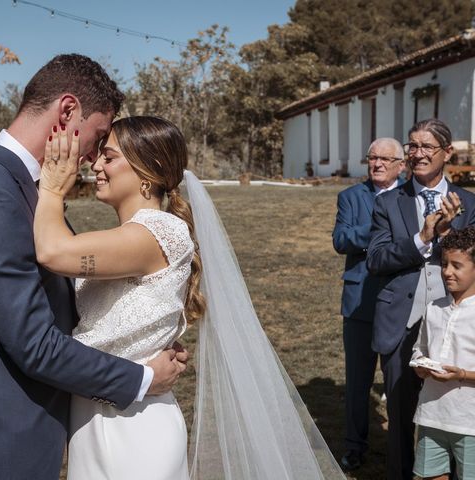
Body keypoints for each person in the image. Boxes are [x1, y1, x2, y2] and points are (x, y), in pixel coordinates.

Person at [36, 115, 347, 479]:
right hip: (97, 416)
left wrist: (52, 189)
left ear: (148, 171)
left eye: (109, 156)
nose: (96, 165)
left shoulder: (157, 233)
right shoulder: (126, 235)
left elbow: (53, 253)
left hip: (134, 427)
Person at [0, 54, 185, 480]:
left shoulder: (25, 187)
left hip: (46, 422)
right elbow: (33, 343)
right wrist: (141, 377)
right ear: (68, 111)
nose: (92, 158)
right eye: (98, 135)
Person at [367, 118, 475, 480]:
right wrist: (422, 237)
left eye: (427, 146)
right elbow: (376, 259)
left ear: (447, 153)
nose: (417, 154)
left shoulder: (471, 203)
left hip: (457, 322)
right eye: (412, 146)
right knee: (400, 412)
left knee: (456, 408)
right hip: (400, 320)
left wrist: (451, 232)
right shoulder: (388, 202)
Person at [332, 138, 405, 471]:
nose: (377, 164)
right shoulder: (351, 197)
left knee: (401, 383)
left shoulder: (411, 195)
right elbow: (341, 240)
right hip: (360, 302)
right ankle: (355, 446)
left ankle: (402, 449)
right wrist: (378, 229)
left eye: (385, 159)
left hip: (400, 301)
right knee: (358, 383)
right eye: (372, 158)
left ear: (400, 165)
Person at [410, 227, 475, 480]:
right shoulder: (434, 308)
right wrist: (419, 366)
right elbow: (420, 349)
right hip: (431, 415)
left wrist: (461, 374)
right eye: (444, 264)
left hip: (469, 421)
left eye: (457, 266)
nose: (447, 272)